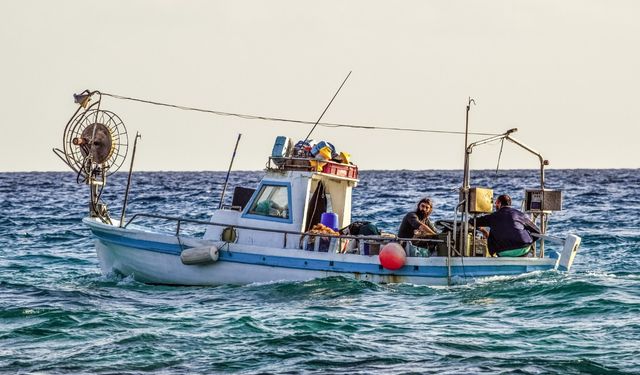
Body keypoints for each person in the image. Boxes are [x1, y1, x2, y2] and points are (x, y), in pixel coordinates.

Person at [472, 194, 540, 257]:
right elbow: (537, 232)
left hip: (503, 252)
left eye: (495, 203)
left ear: (499, 203)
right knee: (527, 233)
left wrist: (481, 229)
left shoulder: (492, 217)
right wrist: (528, 242)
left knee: (493, 231)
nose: (495, 205)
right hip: (522, 250)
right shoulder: (520, 214)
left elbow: (472, 222)